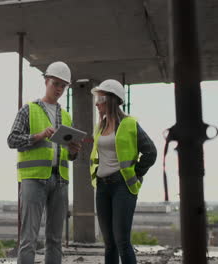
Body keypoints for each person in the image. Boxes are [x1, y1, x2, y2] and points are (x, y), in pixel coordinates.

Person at [7, 61, 82, 264]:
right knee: (29, 238)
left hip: (60, 181)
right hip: (34, 179)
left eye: (62, 86)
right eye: (55, 83)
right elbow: (12, 140)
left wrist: (73, 152)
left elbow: (68, 155)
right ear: (46, 81)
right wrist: (38, 135)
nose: (58, 89)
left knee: (55, 240)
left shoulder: (66, 116)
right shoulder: (28, 110)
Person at [89, 79, 157, 264]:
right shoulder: (100, 126)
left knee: (122, 241)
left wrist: (135, 173)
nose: (96, 103)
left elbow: (151, 152)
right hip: (102, 187)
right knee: (109, 243)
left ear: (111, 100)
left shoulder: (129, 124)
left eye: (100, 98)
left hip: (122, 187)